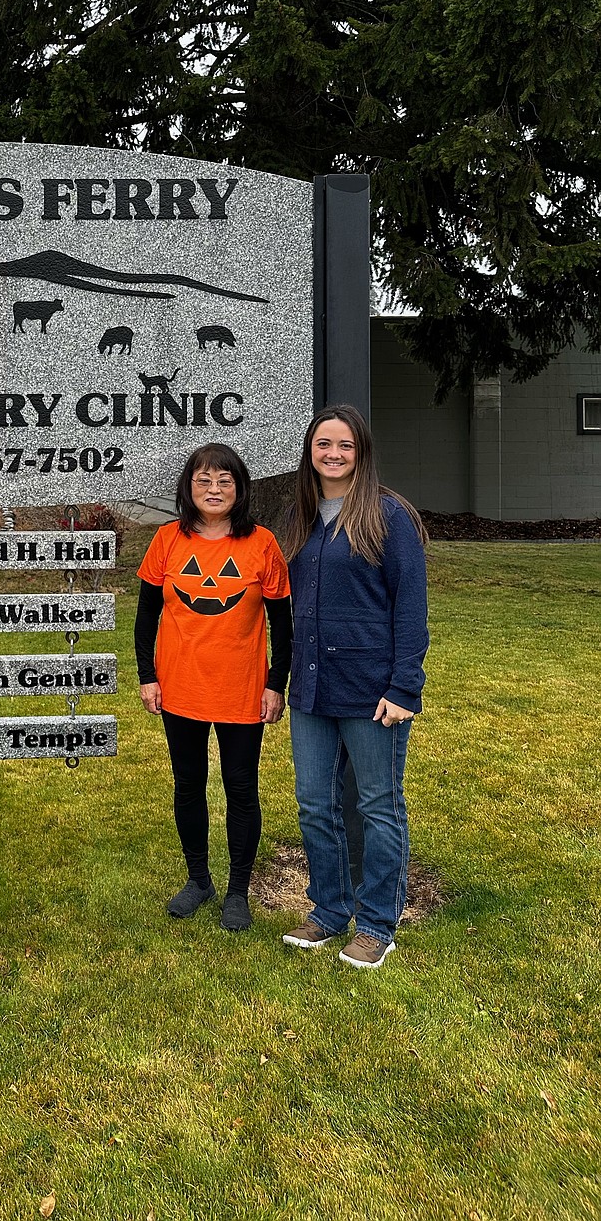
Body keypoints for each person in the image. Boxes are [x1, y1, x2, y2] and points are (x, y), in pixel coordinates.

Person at [281, 404, 428, 970]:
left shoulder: (389, 517)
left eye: (345, 445)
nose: (334, 454)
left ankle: (376, 923)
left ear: (361, 452)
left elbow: (411, 611)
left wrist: (404, 687)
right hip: (312, 691)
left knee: (377, 806)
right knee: (316, 805)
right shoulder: (301, 518)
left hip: (372, 693)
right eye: (323, 444)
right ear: (310, 452)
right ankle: (328, 909)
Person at [135, 444, 292, 931]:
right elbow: (145, 617)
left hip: (241, 688)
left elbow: (282, 623)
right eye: (204, 480)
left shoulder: (261, 543)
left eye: (225, 480)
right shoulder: (167, 539)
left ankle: (237, 890)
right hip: (180, 685)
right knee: (189, 785)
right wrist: (147, 675)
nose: (214, 489)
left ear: (240, 489)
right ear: (189, 487)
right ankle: (198, 878)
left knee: (241, 788)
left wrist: (275, 684)